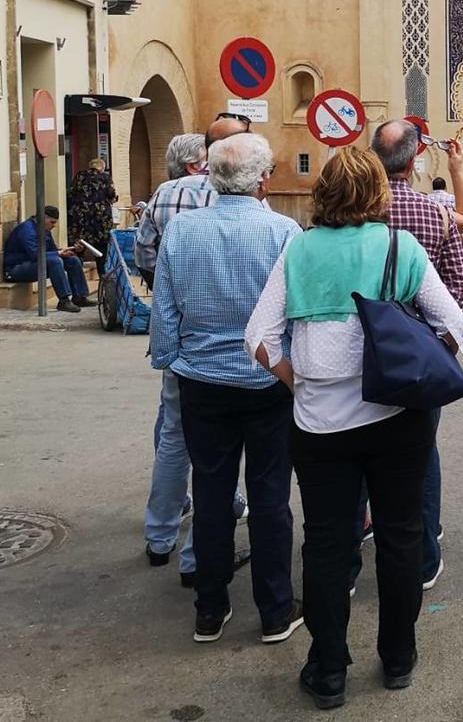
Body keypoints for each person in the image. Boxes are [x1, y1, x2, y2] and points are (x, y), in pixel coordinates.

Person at [246, 147, 463, 710]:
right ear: (377, 193)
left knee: (326, 543)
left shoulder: (299, 250)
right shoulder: (398, 245)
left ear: (323, 193)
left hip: (319, 426)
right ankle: (397, 657)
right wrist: (414, 368)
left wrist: (299, 382)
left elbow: (259, 338)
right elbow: (455, 325)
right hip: (397, 418)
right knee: (400, 535)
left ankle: (328, 670)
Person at [149, 133, 303, 644]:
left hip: (202, 383)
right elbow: (294, 315)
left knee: (211, 495)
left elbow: (164, 308)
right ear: (264, 178)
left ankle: (210, 609)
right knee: (270, 496)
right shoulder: (284, 231)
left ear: (212, 176)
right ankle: (276, 609)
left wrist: (172, 360)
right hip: (267, 383)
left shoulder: (181, 231)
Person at [139, 129, 248, 585]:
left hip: (181, 339)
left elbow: (146, 254)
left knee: (174, 437)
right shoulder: (233, 199)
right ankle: (195, 555)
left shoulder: (163, 196)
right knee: (217, 456)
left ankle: (159, 536)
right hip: (231, 345)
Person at [372, 120, 463, 589]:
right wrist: (436, 348)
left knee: (357, 451)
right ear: (414, 163)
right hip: (418, 357)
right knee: (420, 452)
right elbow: (458, 291)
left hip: (361, 352)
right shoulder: (437, 216)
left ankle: (351, 557)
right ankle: (425, 554)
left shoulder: (356, 213)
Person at [135, 117, 250, 290]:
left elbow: (144, 250)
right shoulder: (237, 189)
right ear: (193, 167)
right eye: (210, 157)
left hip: (174, 290)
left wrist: (162, 281)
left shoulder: (164, 192)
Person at [2, 205, 92, 312]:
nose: (54, 226)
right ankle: (64, 300)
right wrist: (59, 253)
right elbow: (35, 255)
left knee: (73, 260)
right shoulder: (27, 230)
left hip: (32, 263)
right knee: (55, 261)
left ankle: (79, 296)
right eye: (52, 222)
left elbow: (52, 250)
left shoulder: (44, 229)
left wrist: (71, 251)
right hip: (15, 269)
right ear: (43, 217)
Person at [67, 157, 117, 277]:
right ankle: (102, 275)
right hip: (100, 220)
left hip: (80, 219)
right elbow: (111, 195)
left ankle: (76, 274)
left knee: (79, 246)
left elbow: (70, 193)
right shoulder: (105, 177)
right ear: (102, 167)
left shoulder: (79, 176)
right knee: (101, 249)